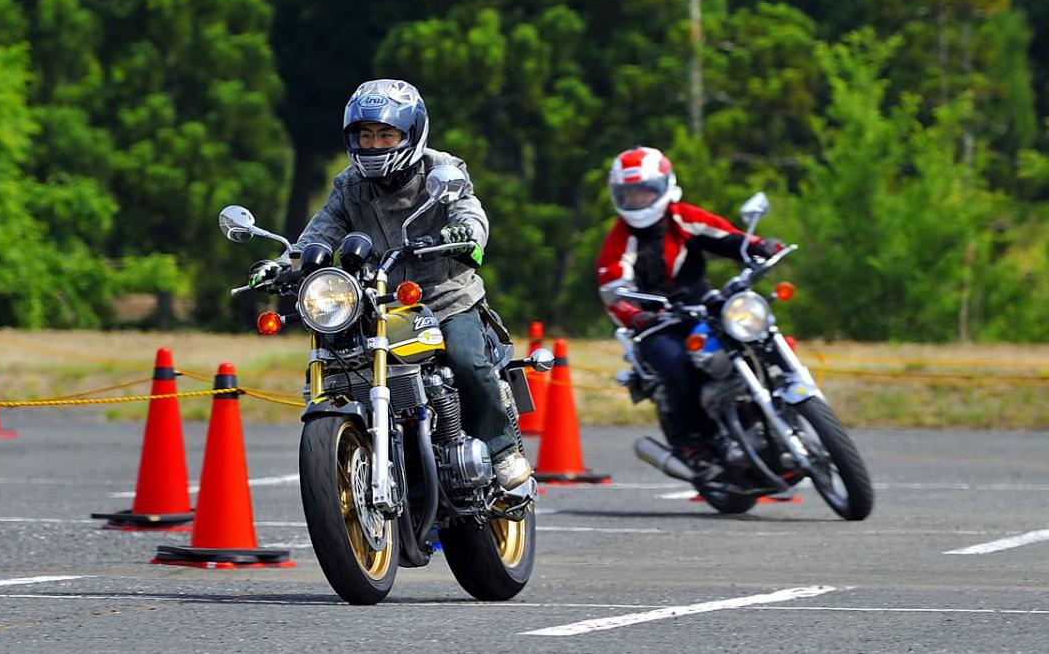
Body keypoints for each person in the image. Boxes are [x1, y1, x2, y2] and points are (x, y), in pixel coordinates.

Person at [249, 78, 531, 489]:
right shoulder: (349, 186)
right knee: (343, 363)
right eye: (366, 135)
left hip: (446, 299)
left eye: (386, 135)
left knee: (467, 360)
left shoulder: (442, 171)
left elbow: (470, 213)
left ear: (411, 134)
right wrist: (280, 265)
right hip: (378, 304)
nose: (375, 145)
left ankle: (502, 449)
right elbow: (318, 234)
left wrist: (465, 234)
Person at [595, 146, 782, 457]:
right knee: (677, 365)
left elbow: (726, 237)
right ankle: (691, 441)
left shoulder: (683, 217)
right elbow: (613, 290)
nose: (637, 199)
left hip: (703, 305)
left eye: (644, 190)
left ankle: (782, 390)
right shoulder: (619, 241)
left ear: (664, 186)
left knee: (755, 330)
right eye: (628, 193)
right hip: (656, 323)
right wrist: (635, 315)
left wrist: (760, 246)